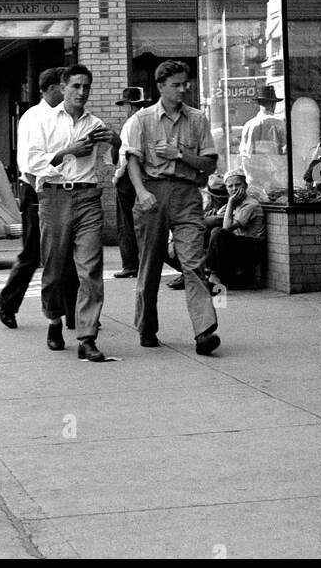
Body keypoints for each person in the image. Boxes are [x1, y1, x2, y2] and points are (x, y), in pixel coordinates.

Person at [121, 59, 221, 355]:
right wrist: (140, 192)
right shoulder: (142, 120)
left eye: (185, 83)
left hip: (187, 195)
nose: (183, 89)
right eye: (176, 85)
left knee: (193, 263)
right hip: (152, 195)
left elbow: (210, 163)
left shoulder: (198, 120)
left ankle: (204, 331)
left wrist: (180, 154)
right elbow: (132, 161)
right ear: (161, 87)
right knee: (150, 265)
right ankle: (147, 326)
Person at [25, 64, 114, 361]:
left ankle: (87, 338)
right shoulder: (43, 121)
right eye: (76, 86)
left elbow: (110, 165)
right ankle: (53, 320)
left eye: (86, 87)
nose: (82, 92)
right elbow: (31, 163)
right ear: (62, 88)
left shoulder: (95, 123)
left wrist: (114, 143)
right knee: (54, 268)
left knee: (90, 270)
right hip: (54, 197)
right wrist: (68, 152)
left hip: (88, 196)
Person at [0, 69, 78, 330]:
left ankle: (73, 311)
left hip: (66, 189)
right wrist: (40, 192)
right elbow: (28, 163)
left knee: (66, 253)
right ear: (54, 88)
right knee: (33, 252)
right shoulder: (34, 117)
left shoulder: (68, 116)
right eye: (65, 87)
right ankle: (8, 302)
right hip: (38, 188)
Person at [204, 169, 267, 289]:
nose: (234, 189)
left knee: (218, 232)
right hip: (239, 244)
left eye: (237, 185)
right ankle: (205, 273)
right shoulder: (233, 203)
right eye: (230, 186)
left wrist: (231, 202)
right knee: (207, 230)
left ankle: (214, 275)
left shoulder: (250, 205)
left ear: (245, 186)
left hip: (253, 248)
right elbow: (216, 217)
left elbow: (226, 228)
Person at [111, 87, 146, 278]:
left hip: (129, 175)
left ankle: (130, 263)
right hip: (146, 173)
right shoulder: (149, 118)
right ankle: (140, 261)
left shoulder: (131, 123)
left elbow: (125, 153)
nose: (124, 109)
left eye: (125, 105)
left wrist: (117, 175)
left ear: (131, 105)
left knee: (125, 220)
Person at [240, 84, 288, 198]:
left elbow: (246, 154)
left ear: (259, 104)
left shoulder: (249, 124)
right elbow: (285, 150)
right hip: (276, 176)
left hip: (256, 177)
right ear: (273, 104)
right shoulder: (279, 123)